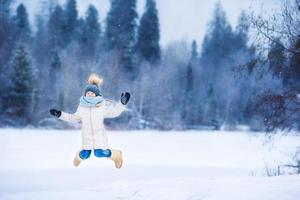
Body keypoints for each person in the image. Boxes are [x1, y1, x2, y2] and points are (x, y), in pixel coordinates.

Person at [49, 74, 130, 169]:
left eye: (92, 93)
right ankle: (78, 158)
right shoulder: (82, 107)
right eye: (88, 93)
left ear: (97, 94)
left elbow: (114, 112)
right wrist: (60, 114)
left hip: (99, 136)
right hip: (87, 136)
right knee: (85, 155)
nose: (90, 95)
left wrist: (122, 104)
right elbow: (74, 118)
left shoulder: (101, 107)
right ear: (85, 94)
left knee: (99, 153)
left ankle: (116, 155)